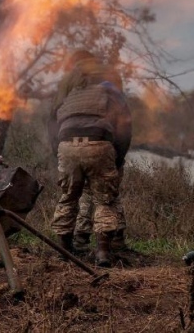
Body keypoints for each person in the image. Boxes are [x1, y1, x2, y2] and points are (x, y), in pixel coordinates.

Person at [50, 50, 131, 267]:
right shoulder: (110, 88)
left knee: (68, 197)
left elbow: (53, 124)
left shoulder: (68, 91)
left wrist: (57, 152)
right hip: (99, 142)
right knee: (105, 199)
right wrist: (118, 157)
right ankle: (103, 253)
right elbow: (124, 126)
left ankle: (64, 251)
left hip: (66, 144)